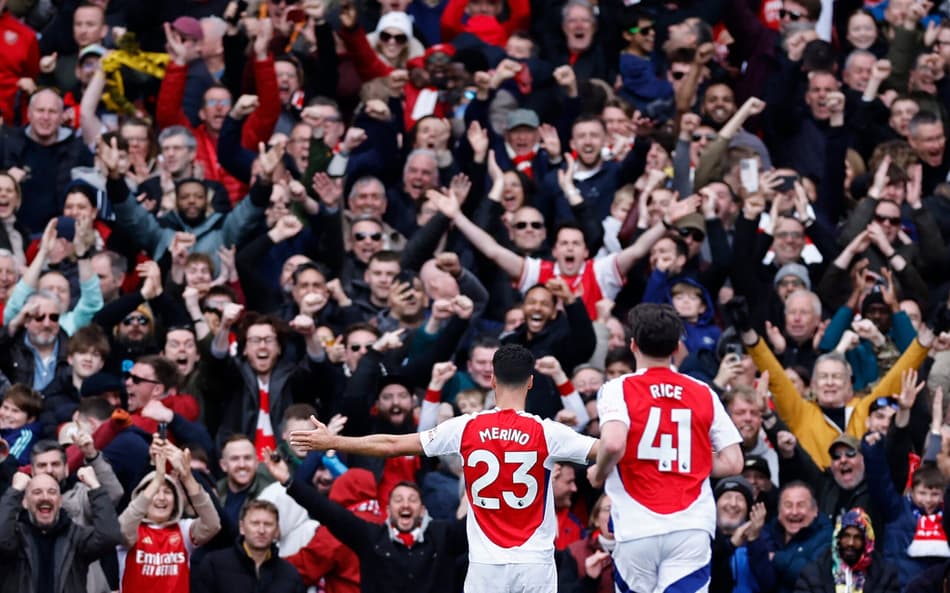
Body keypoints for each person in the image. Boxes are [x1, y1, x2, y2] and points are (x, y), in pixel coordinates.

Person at [288, 343, 599, 592]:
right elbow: (606, 448)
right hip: (535, 563)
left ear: (492, 380)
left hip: (485, 566)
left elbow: (393, 445)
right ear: (531, 381)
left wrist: (334, 441)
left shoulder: (465, 428)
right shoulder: (548, 432)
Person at [588, 303, 744, 593]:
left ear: (633, 344)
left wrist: (598, 473)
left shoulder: (618, 388)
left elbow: (612, 442)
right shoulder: (703, 391)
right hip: (690, 524)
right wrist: (687, 457)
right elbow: (733, 462)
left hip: (636, 525)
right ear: (676, 346)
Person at [0, 467, 122, 593]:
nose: (45, 497)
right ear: (25, 502)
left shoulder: (76, 536)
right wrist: (14, 492)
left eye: (52, 492)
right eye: (37, 492)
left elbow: (109, 536)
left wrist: (95, 487)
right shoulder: (16, 536)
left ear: (60, 501)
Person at [195, 499, 305, 593]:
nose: (261, 530)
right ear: (242, 527)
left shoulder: (289, 574)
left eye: (268, 524)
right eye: (255, 523)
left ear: (276, 531)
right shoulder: (214, 564)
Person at [793, 507, 900, 593]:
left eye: (857, 538)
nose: (850, 543)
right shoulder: (813, 573)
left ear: (866, 542)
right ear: (837, 538)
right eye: (846, 536)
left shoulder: (885, 575)